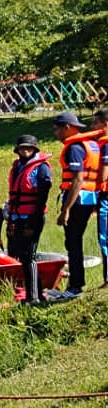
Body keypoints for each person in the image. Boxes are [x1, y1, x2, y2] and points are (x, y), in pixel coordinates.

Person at [53, 112, 101, 298]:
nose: (55, 133)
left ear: (67, 127)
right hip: (89, 198)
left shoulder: (75, 148)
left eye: (57, 129)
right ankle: (76, 284)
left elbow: (78, 180)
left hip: (78, 199)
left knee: (72, 242)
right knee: (74, 241)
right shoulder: (92, 144)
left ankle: (75, 287)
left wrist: (66, 210)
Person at [5, 135, 53, 304]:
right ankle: (36, 294)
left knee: (29, 255)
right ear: (17, 149)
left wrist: (33, 221)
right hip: (17, 215)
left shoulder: (41, 168)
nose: (25, 150)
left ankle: (33, 298)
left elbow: (43, 196)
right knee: (20, 254)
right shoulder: (17, 166)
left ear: (34, 149)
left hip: (33, 216)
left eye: (29, 148)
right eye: (22, 148)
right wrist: (10, 218)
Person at [92, 109, 108, 287]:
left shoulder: (105, 145)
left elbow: (104, 175)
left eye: (95, 123)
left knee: (105, 238)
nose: (92, 127)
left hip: (106, 196)